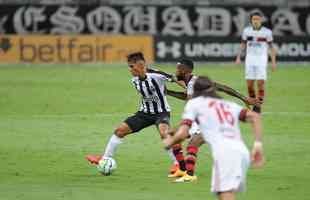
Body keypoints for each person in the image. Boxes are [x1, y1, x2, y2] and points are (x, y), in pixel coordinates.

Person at [164, 76, 264, 200]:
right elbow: (255, 117)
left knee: (226, 195)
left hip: (225, 153)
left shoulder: (195, 104)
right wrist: (258, 145)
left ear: (195, 91)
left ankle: (188, 173)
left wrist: (169, 143)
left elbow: (183, 133)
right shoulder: (226, 104)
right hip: (242, 152)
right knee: (224, 194)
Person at [86, 52, 185, 173]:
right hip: (144, 113)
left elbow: (176, 79)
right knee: (119, 131)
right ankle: (105, 158)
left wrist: (188, 87)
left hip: (161, 112)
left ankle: (177, 164)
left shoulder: (156, 74)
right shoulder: (134, 80)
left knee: (164, 134)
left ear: (141, 65)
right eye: (129, 66)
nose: (129, 69)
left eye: (132, 66)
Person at [235, 12, 277, 113]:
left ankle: (258, 106)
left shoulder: (267, 32)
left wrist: (273, 62)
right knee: (249, 84)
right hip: (249, 59)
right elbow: (243, 44)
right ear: (251, 20)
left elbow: (272, 48)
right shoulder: (247, 31)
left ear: (261, 20)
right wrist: (238, 57)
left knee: (260, 83)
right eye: (254, 19)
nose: (256, 21)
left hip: (262, 59)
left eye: (258, 19)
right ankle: (254, 102)